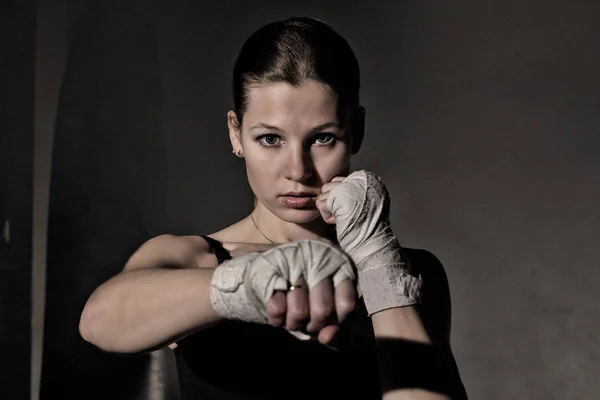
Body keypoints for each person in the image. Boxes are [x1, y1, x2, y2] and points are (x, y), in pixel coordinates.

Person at [79, 16, 468, 400]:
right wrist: (247, 282)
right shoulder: (195, 257)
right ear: (236, 134)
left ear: (356, 131)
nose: (298, 170)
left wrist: (376, 260)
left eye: (322, 139)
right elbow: (100, 321)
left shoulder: (412, 272)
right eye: (270, 139)